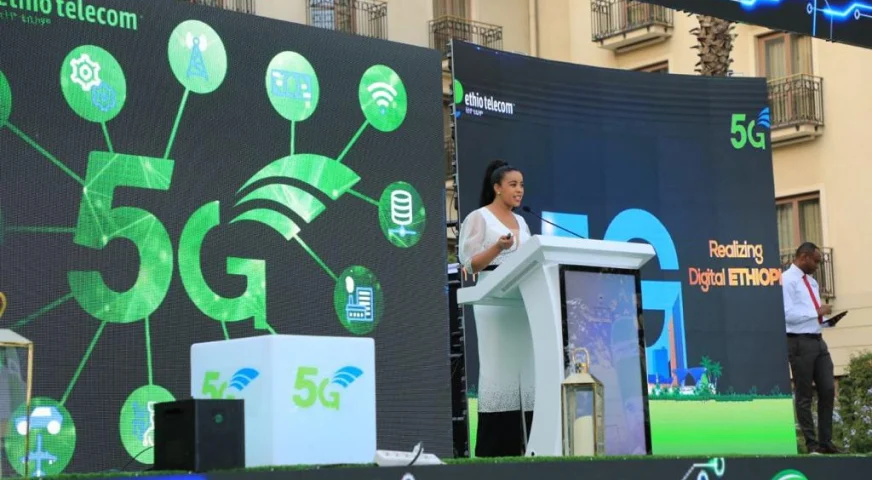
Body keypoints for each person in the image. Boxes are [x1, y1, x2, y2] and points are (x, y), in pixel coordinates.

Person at [458, 159, 533, 457]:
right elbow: (470, 264)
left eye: (522, 185)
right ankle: (496, 448)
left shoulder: (522, 222)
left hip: (524, 301)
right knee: (498, 369)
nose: (519, 190)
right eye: (513, 184)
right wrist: (498, 247)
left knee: (528, 370)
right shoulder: (479, 218)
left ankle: (529, 443)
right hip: (493, 301)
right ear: (497, 187)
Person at [782, 242, 840, 454]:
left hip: (817, 339)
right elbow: (787, 315)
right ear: (804, 257)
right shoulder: (786, 280)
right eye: (815, 261)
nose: (817, 265)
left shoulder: (812, 283)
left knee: (827, 389)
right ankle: (811, 443)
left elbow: (811, 314)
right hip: (798, 341)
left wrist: (825, 320)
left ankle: (826, 442)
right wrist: (816, 312)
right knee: (804, 393)